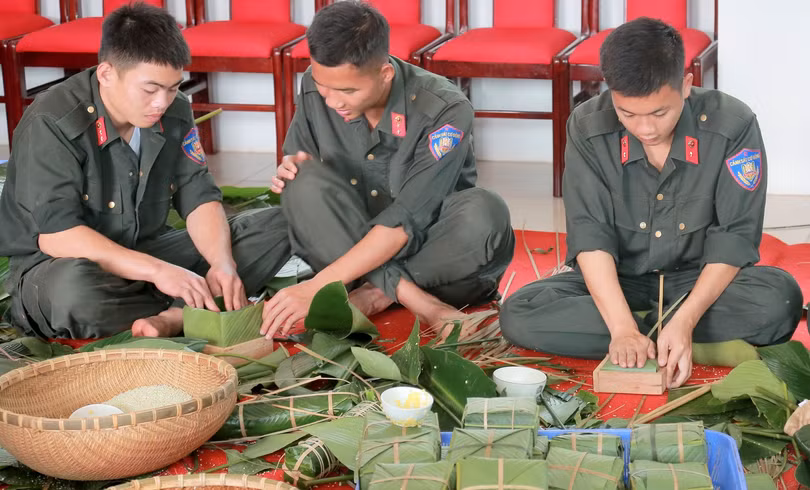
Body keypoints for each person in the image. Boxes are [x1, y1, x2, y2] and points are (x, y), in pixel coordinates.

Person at [500, 17, 802, 388]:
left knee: (780, 302)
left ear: (686, 85)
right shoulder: (587, 126)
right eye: (628, 114)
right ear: (611, 93)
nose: (645, 129)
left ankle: (669, 335)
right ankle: (667, 340)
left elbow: (734, 237)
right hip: (620, 281)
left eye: (660, 113)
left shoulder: (732, 125)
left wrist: (686, 319)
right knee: (519, 314)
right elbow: (590, 234)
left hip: (697, 281)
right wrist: (622, 327)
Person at [0, 3, 291, 339]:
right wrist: (159, 272)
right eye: (150, 90)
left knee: (279, 224)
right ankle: (190, 306)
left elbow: (197, 195)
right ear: (107, 73)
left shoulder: (173, 110)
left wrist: (222, 263)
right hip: (64, 266)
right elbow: (58, 235)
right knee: (74, 292)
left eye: (172, 88)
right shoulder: (52, 122)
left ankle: (174, 316)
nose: (162, 103)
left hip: (149, 251)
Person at [261, 1, 514, 339]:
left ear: (385, 73)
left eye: (348, 91)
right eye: (325, 87)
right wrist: (292, 172)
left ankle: (374, 295)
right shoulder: (315, 82)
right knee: (301, 184)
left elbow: (405, 222)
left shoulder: (445, 109)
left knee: (485, 211)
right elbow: (302, 160)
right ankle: (416, 301)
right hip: (349, 251)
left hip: (433, 258)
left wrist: (317, 287)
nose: (333, 101)